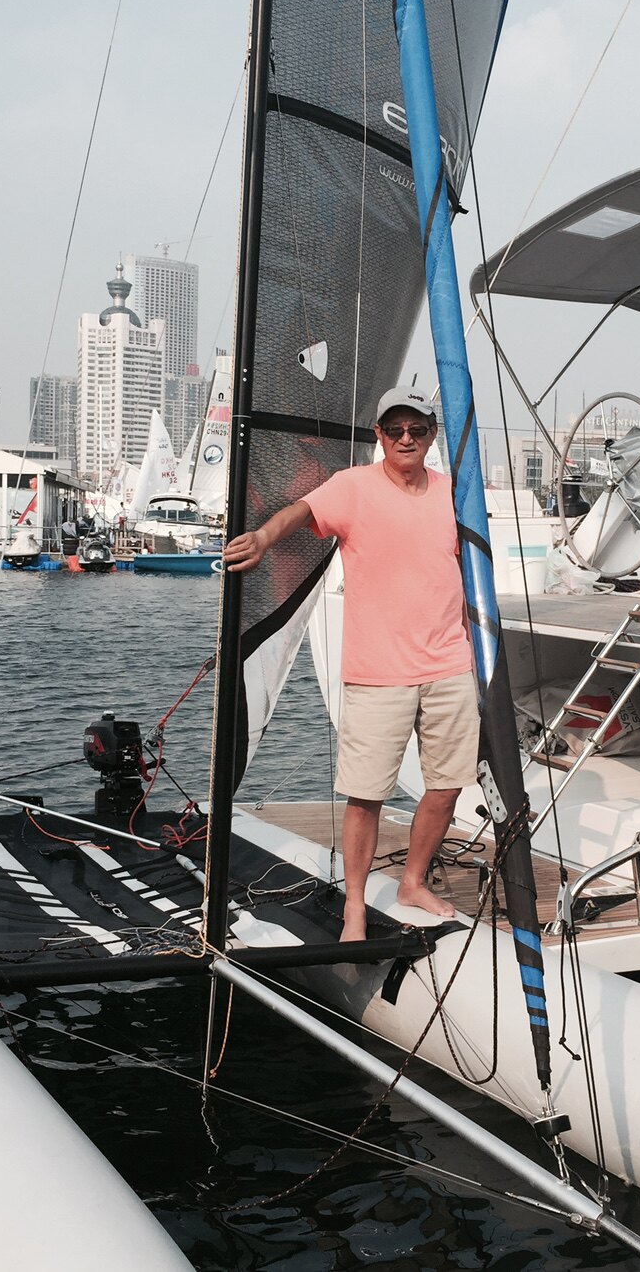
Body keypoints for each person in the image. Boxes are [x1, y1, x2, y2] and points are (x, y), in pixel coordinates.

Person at [224, 385, 479, 942]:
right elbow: (301, 511)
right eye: (395, 430)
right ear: (379, 435)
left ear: (431, 434)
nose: (406, 438)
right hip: (378, 671)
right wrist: (263, 537)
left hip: (449, 664)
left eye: (417, 429)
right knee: (367, 796)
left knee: (448, 786)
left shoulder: (453, 492)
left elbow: (468, 569)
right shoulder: (354, 486)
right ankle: (356, 907)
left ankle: (412, 882)